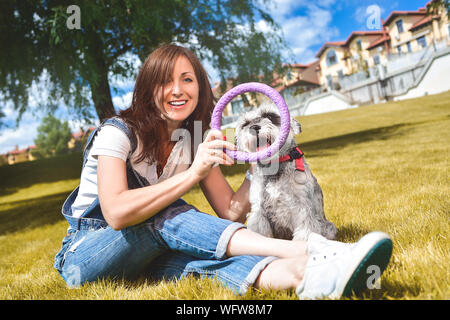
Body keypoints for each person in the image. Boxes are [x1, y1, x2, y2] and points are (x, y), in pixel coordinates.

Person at [54, 43, 392, 299]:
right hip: (85, 256)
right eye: (165, 81)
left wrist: (260, 160)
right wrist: (193, 173)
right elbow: (115, 212)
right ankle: (312, 249)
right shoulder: (117, 133)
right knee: (166, 214)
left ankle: (312, 277)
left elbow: (230, 210)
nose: (177, 90)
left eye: (187, 79)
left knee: (203, 262)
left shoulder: (193, 140)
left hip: (140, 258)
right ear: (147, 89)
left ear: (199, 87)